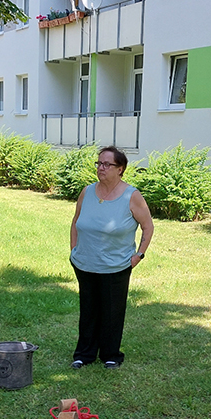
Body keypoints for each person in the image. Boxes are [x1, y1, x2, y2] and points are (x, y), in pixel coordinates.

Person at [69, 146, 154, 369]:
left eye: (107, 164)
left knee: (112, 311)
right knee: (88, 310)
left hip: (116, 266)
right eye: (99, 163)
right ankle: (84, 354)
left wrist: (139, 255)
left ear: (121, 169)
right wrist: (74, 249)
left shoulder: (131, 196)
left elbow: (148, 227)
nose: (101, 168)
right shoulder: (87, 192)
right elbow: (76, 221)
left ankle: (110, 355)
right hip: (84, 263)